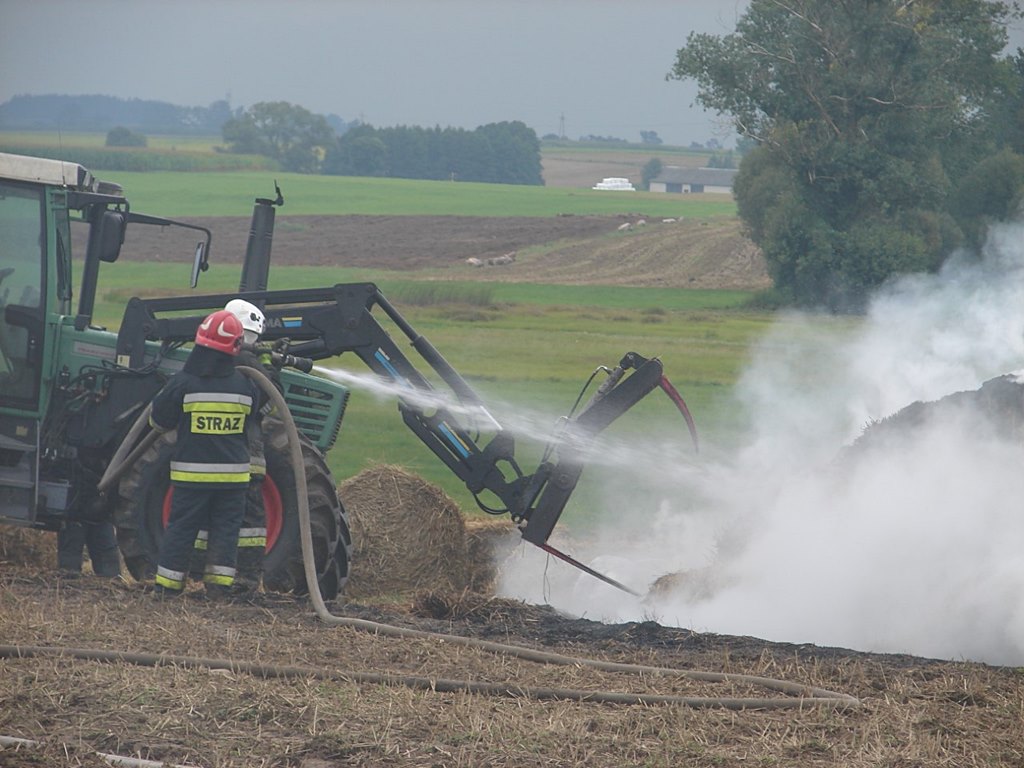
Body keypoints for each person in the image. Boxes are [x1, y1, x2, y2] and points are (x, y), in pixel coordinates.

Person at [148, 309, 258, 599]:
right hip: (233, 479)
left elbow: (159, 421)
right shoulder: (245, 385)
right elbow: (259, 413)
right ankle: (219, 590)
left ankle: (168, 589)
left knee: (182, 529)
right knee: (226, 531)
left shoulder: (184, 383)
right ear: (235, 347)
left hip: (192, 476)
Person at [191, 298, 277, 594]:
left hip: (205, 459)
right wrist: (271, 367)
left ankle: (198, 573)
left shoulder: (209, 361)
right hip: (243, 459)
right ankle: (245, 580)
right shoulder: (248, 365)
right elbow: (266, 403)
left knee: (205, 519)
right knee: (250, 524)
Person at [56, 520, 121, 578]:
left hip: (100, 514)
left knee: (111, 575)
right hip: (74, 514)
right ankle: (68, 582)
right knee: (69, 572)